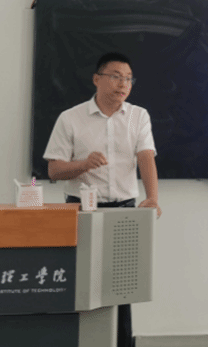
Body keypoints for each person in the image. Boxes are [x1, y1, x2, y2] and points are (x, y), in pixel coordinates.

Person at [43, 52, 160, 347]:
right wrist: (83, 164)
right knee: (82, 282)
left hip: (124, 210)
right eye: (116, 76)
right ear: (97, 79)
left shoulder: (138, 116)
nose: (123, 84)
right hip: (81, 211)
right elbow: (54, 170)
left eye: (128, 79)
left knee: (122, 286)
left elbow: (146, 157)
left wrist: (153, 197)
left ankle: (121, 342)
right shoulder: (70, 118)